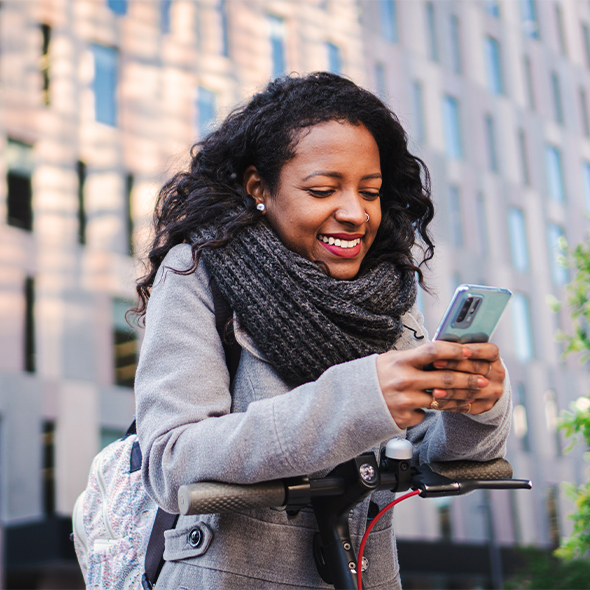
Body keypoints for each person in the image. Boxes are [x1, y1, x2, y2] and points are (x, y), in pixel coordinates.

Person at [134, 72, 511, 589]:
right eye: (322, 189)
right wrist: (361, 397)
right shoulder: (198, 269)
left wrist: (476, 405)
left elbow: (434, 455)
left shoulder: (385, 293)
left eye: (371, 192)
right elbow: (170, 460)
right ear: (258, 189)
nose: (356, 213)